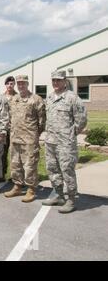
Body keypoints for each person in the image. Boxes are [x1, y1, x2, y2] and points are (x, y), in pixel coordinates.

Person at [42, 70, 87, 213]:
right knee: (52, 169)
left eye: (58, 80)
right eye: (53, 80)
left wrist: (70, 133)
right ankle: (59, 196)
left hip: (65, 143)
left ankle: (71, 199)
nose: (55, 83)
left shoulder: (72, 98)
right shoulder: (49, 98)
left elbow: (82, 119)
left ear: (64, 81)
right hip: (50, 142)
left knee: (67, 170)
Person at [4, 75, 45, 202]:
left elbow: (42, 121)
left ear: (27, 84)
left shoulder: (36, 99)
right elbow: (10, 117)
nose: (21, 86)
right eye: (19, 83)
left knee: (30, 165)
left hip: (29, 140)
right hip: (15, 138)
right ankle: (17, 186)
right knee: (15, 164)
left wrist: (34, 134)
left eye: (23, 83)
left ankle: (31, 189)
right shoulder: (14, 99)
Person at [2, 76, 17, 179]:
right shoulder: (1, 97)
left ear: (14, 84)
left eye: (11, 84)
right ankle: (1, 174)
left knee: (14, 153)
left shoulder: (18, 97)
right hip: (3, 129)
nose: (9, 86)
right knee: (2, 153)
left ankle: (14, 176)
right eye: (8, 84)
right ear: (5, 85)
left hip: (14, 129)